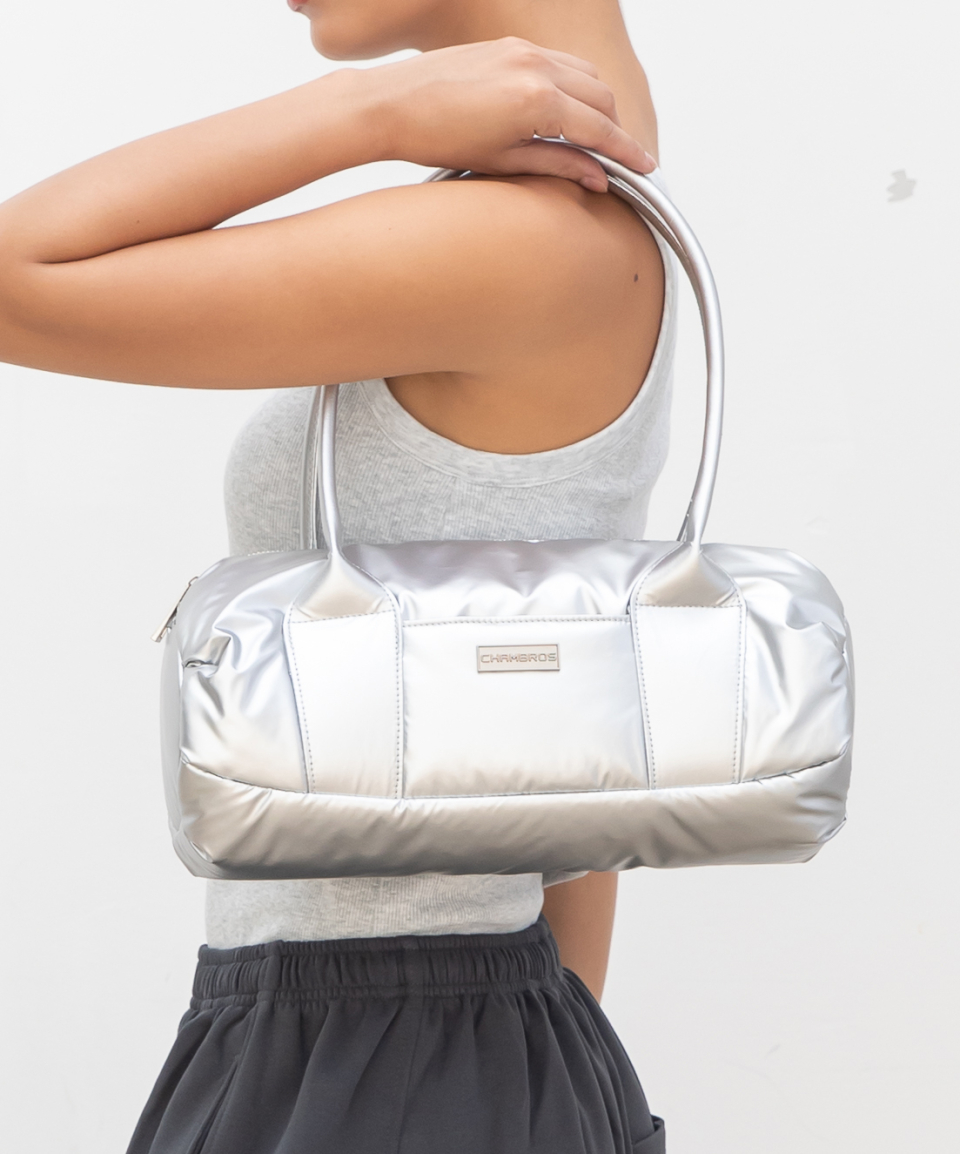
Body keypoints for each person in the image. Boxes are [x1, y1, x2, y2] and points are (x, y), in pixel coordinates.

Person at [0, 2, 673, 1151]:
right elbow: (571, 709)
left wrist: (373, 111)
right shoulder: (566, 223)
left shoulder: (525, 240)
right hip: (426, 1037)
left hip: (385, 1047)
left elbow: (15, 275)